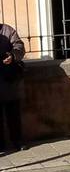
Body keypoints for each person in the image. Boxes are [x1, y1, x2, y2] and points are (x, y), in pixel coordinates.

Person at [0, 23, 26, 152]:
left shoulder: (8, 30)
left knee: (13, 113)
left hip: (9, 79)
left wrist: (12, 55)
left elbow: (19, 45)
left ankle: (17, 141)